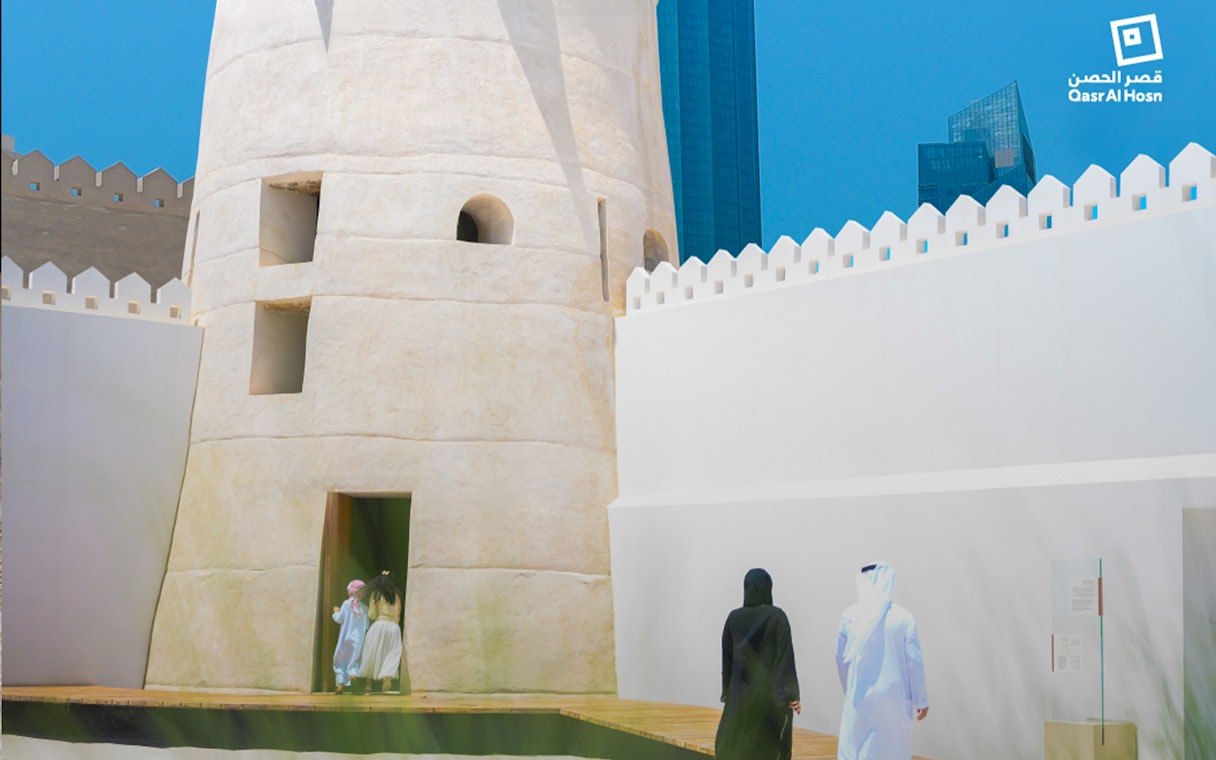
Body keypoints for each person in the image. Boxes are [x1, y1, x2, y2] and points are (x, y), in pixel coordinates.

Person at [835, 562, 928, 760]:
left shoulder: (849, 616)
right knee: (892, 749)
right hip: (893, 697)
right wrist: (921, 699)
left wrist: (849, 688)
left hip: (858, 695)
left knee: (856, 748)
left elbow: (841, 658)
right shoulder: (903, 617)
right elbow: (914, 662)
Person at [715, 568, 801, 760]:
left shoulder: (733, 619)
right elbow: (784, 658)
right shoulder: (777, 617)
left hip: (738, 705)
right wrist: (790, 695)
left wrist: (728, 693)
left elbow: (727, 661)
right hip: (767, 707)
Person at [358, 571, 404, 694]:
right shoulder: (396, 596)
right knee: (390, 653)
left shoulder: (376, 595)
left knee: (371, 654)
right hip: (393, 628)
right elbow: (398, 614)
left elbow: (372, 615)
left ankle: (368, 686)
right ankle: (386, 677)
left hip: (379, 625)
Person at [331, 579, 368, 693]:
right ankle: (353, 676)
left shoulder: (346, 604)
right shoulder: (364, 608)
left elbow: (339, 618)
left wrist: (335, 612)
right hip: (358, 640)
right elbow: (366, 625)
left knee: (339, 660)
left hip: (344, 638)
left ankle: (340, 684)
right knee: (354, 660)